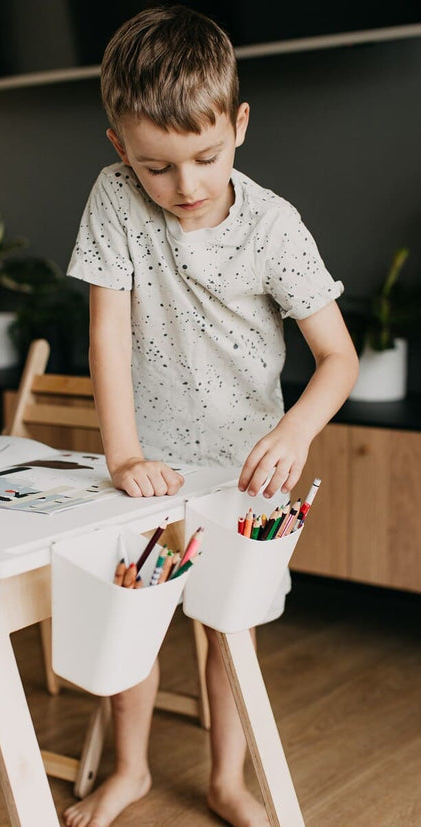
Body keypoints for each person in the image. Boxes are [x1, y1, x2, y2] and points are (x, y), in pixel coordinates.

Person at [64, 6, 359, 826]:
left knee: (228, 630)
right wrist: (123, 457)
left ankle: (228, 778)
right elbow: (108, 337)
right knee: (134, 615)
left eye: (206, 156)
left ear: (240, 124)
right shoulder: (115, 199)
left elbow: (339, 359)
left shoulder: (275, 227)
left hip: (243, 472)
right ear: (120, 147)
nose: (186, 186)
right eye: (157, 166)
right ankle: (130, 771)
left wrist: (295, 430)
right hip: (150, 470)